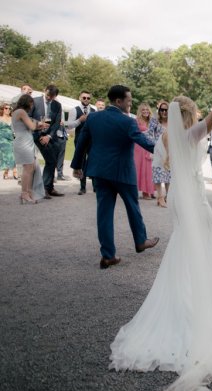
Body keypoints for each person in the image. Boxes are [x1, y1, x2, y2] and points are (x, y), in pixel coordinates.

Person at [109, 71, 212, 391]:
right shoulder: (192, 134)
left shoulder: (169, 138)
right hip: (194, 199)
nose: (200, 116)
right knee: (200, 246)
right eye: (194, 112)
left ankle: (187, 302)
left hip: (180, 199)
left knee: (185, 249)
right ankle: (196, 309)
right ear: (190, 115)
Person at [71, 85, 159, 269]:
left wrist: (77, 165)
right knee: (132, 207)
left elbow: (81, 142)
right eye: (129, 100)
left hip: (100, 172)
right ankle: (141, 241)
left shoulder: (93, 117)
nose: (130, 103)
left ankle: (108, 255)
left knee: (103, 213)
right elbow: (144, 142)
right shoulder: (128, 122)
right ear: (119, 101)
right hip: (122, 172)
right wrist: (167, 151)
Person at [11, 95, 48, 203]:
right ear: (27, 102)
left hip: (26, 141)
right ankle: (24, 193)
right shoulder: (21, 112)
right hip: (23, 143)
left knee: (31, 168)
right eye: (31, 104)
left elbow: (30, 127)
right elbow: (32, 126)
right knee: (28, 168)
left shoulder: (18, 112)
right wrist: (38, 124)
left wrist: (39, 126)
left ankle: (28, 192)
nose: (32, 106)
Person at [31, 84, 64, 198]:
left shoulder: (57, 105)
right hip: (36, 135)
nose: (49, 98)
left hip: (49, 137)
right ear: (44, 90)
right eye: (48, 95)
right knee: (50, 160)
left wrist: (49, 136)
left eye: (52, 96)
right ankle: (44, 188)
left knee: (53, 161)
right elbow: (28, 117)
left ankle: (50, 188)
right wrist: (39, 130)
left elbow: (56, 123)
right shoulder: (34, 101)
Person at [65, 91, 95, 195]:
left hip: (92, 140)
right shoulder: (74, 110)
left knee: (92, 161)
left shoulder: (94, 110)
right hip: (80, 139)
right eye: (84, 98)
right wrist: (79, 120)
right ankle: (82, 187)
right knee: (81, 162)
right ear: (80, 98)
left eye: (88, 98)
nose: (86, 99)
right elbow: (69, 126)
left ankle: (95, 186)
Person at [149, 101, 170, 207]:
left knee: (168, 174)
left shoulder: (173, 122)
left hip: (170, 151)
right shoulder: (155, 121)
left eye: (166, 110)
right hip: (158, 150)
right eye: (162, 110)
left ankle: (168, 196)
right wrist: (154, 146)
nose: (164, 112)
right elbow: (149, 134)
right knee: (157, 174)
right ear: (159, 110)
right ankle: (160, 198)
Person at [133, 103, 154, 200]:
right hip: (139, 147)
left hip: (150, 146)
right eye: (143, 110)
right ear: (140, 111)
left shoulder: (153, 121)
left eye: (147, 109)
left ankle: (149, 191)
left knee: (149, 169)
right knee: (139, 168)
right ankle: (139, 192)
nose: (145, 111)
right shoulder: (136, 121)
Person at [0, 103, 17, 180]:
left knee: (10, 155)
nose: (8, 110)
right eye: (6, 108)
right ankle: (15, 171)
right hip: (2, 139)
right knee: (9, 153)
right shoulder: (0, 118)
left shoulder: (12, 118)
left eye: (9, 108)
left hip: (11, 138)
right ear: (3, 109)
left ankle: (6, 172)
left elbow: (16, 129)